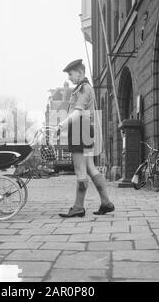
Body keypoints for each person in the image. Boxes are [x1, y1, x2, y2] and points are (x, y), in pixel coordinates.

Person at [57, 59, 115, 218]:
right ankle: (106, 203)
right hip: (85, 130)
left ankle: (78, 207)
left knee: (80, 170)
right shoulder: (84, 87)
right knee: (90, 167)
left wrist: (60, 125)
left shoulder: (83, 88)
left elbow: (77, 113)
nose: (69, 78)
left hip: (79, 130)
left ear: (80, 73)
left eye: (71, 74)